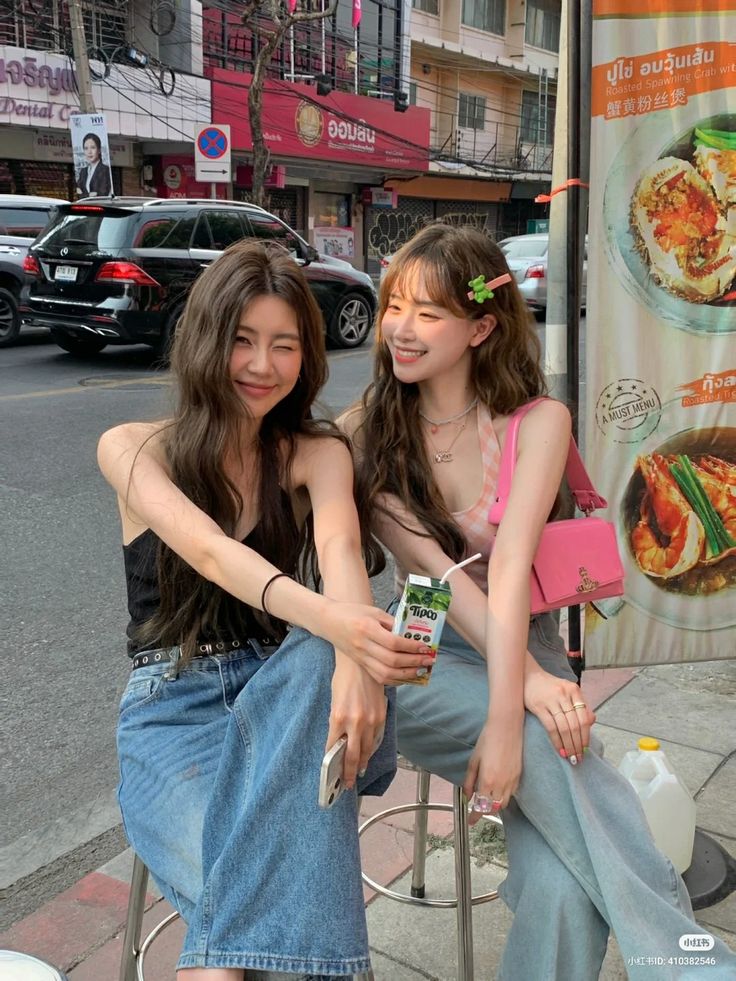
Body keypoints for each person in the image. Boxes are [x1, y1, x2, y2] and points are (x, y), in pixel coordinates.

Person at [341, 222, 736, 980]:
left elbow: (512, 564)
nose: (401, 327)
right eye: (395, 304)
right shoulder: (373, 431)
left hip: (530, 643)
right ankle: (691, 962)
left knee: (564, 889)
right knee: (551, 737)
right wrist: (512, 702)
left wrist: (518, 690)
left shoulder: (538, 422)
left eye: (428, 313)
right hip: (421, 648)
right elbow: (438, 576)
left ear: (481, 325)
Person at [97, 240, 435, 980]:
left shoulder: (317, 451)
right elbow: (214, 553)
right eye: (243, 340)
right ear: (206, 339)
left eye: (284, 345)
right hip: (174, 710)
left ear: (306, 356)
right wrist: (338, 625)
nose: (261, 365)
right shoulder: (131, 447)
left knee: (316, 654)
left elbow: (344, 552)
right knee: (274, 896)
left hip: (290, 701)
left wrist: (352, 652)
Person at [76, 132, 111, 197]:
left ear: (99, 150)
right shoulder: (83, 171)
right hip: (85, 205)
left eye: (93, 147)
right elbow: (78, 191)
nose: (89, 152)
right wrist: (89, 195)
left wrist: (83, 194)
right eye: (86, 148)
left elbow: (102, 193)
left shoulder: (105, 170)